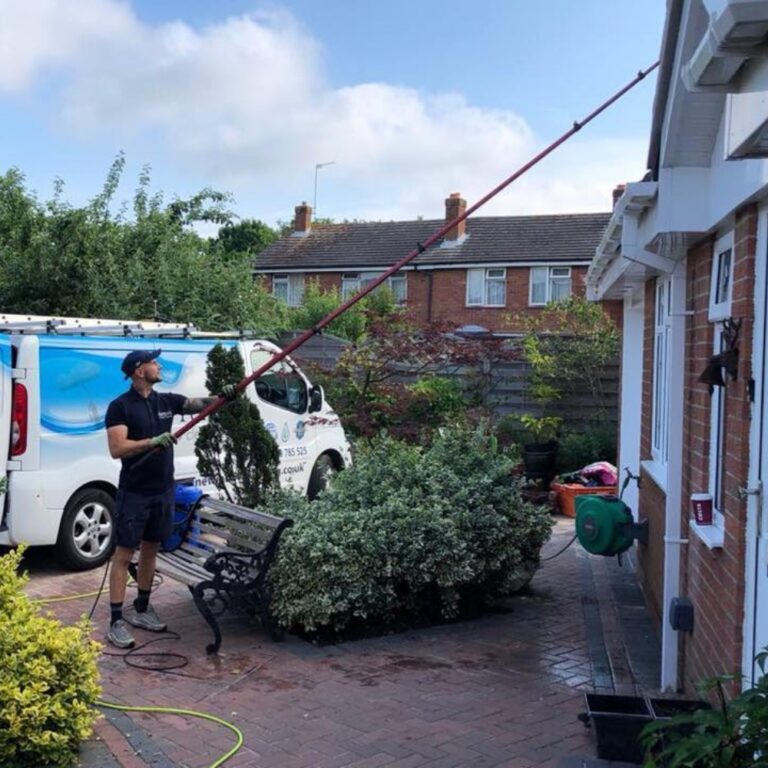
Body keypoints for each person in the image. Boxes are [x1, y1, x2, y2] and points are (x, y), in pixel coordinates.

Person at [104, 348, 237, 649]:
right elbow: (117, 448)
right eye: (153, 362)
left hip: (163, 489)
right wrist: (151, 442)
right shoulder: (120, 407)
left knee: (151, 549)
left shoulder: (166, 401)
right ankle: (115, 621)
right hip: (134, 492)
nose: (158, 366)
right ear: (139, 370)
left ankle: (141, 608)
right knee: (124, 555)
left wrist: (225, 396)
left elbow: (198, 404)